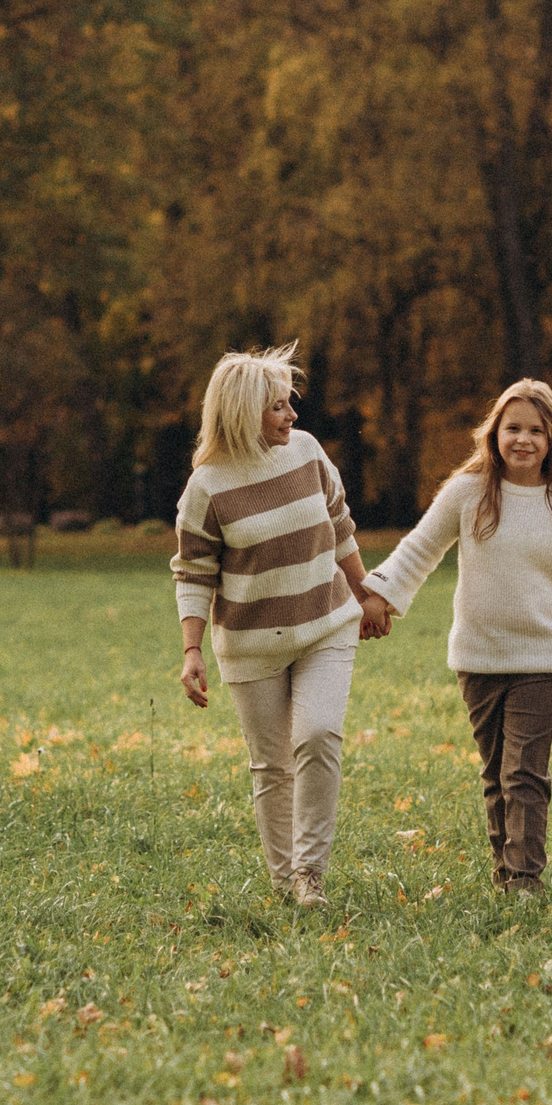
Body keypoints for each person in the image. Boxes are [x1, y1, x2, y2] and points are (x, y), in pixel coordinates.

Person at [360, 379, 552, 897]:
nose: (523, 439)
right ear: (494, 432)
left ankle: (525, 878)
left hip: (543, 659)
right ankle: (505, 871)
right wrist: (380, 595)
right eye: (513, 427)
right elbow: (419, 548)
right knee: (497, 772)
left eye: (536, 430)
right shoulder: (468, 493)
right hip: (478, 657)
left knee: (525, 771)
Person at [172, 344, 385, 909]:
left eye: (290, 404)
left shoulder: (308, 452)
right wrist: (192, 651)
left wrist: (366, 594)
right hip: (249, 644)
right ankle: (283, 882)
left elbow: (340, 525)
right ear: (242, 413)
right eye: (278, 408)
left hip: (326, 623)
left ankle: (310, 875)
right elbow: (193, 573)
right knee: (271, 764)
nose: (292, 416)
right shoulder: (207, 488)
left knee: (316, 735)